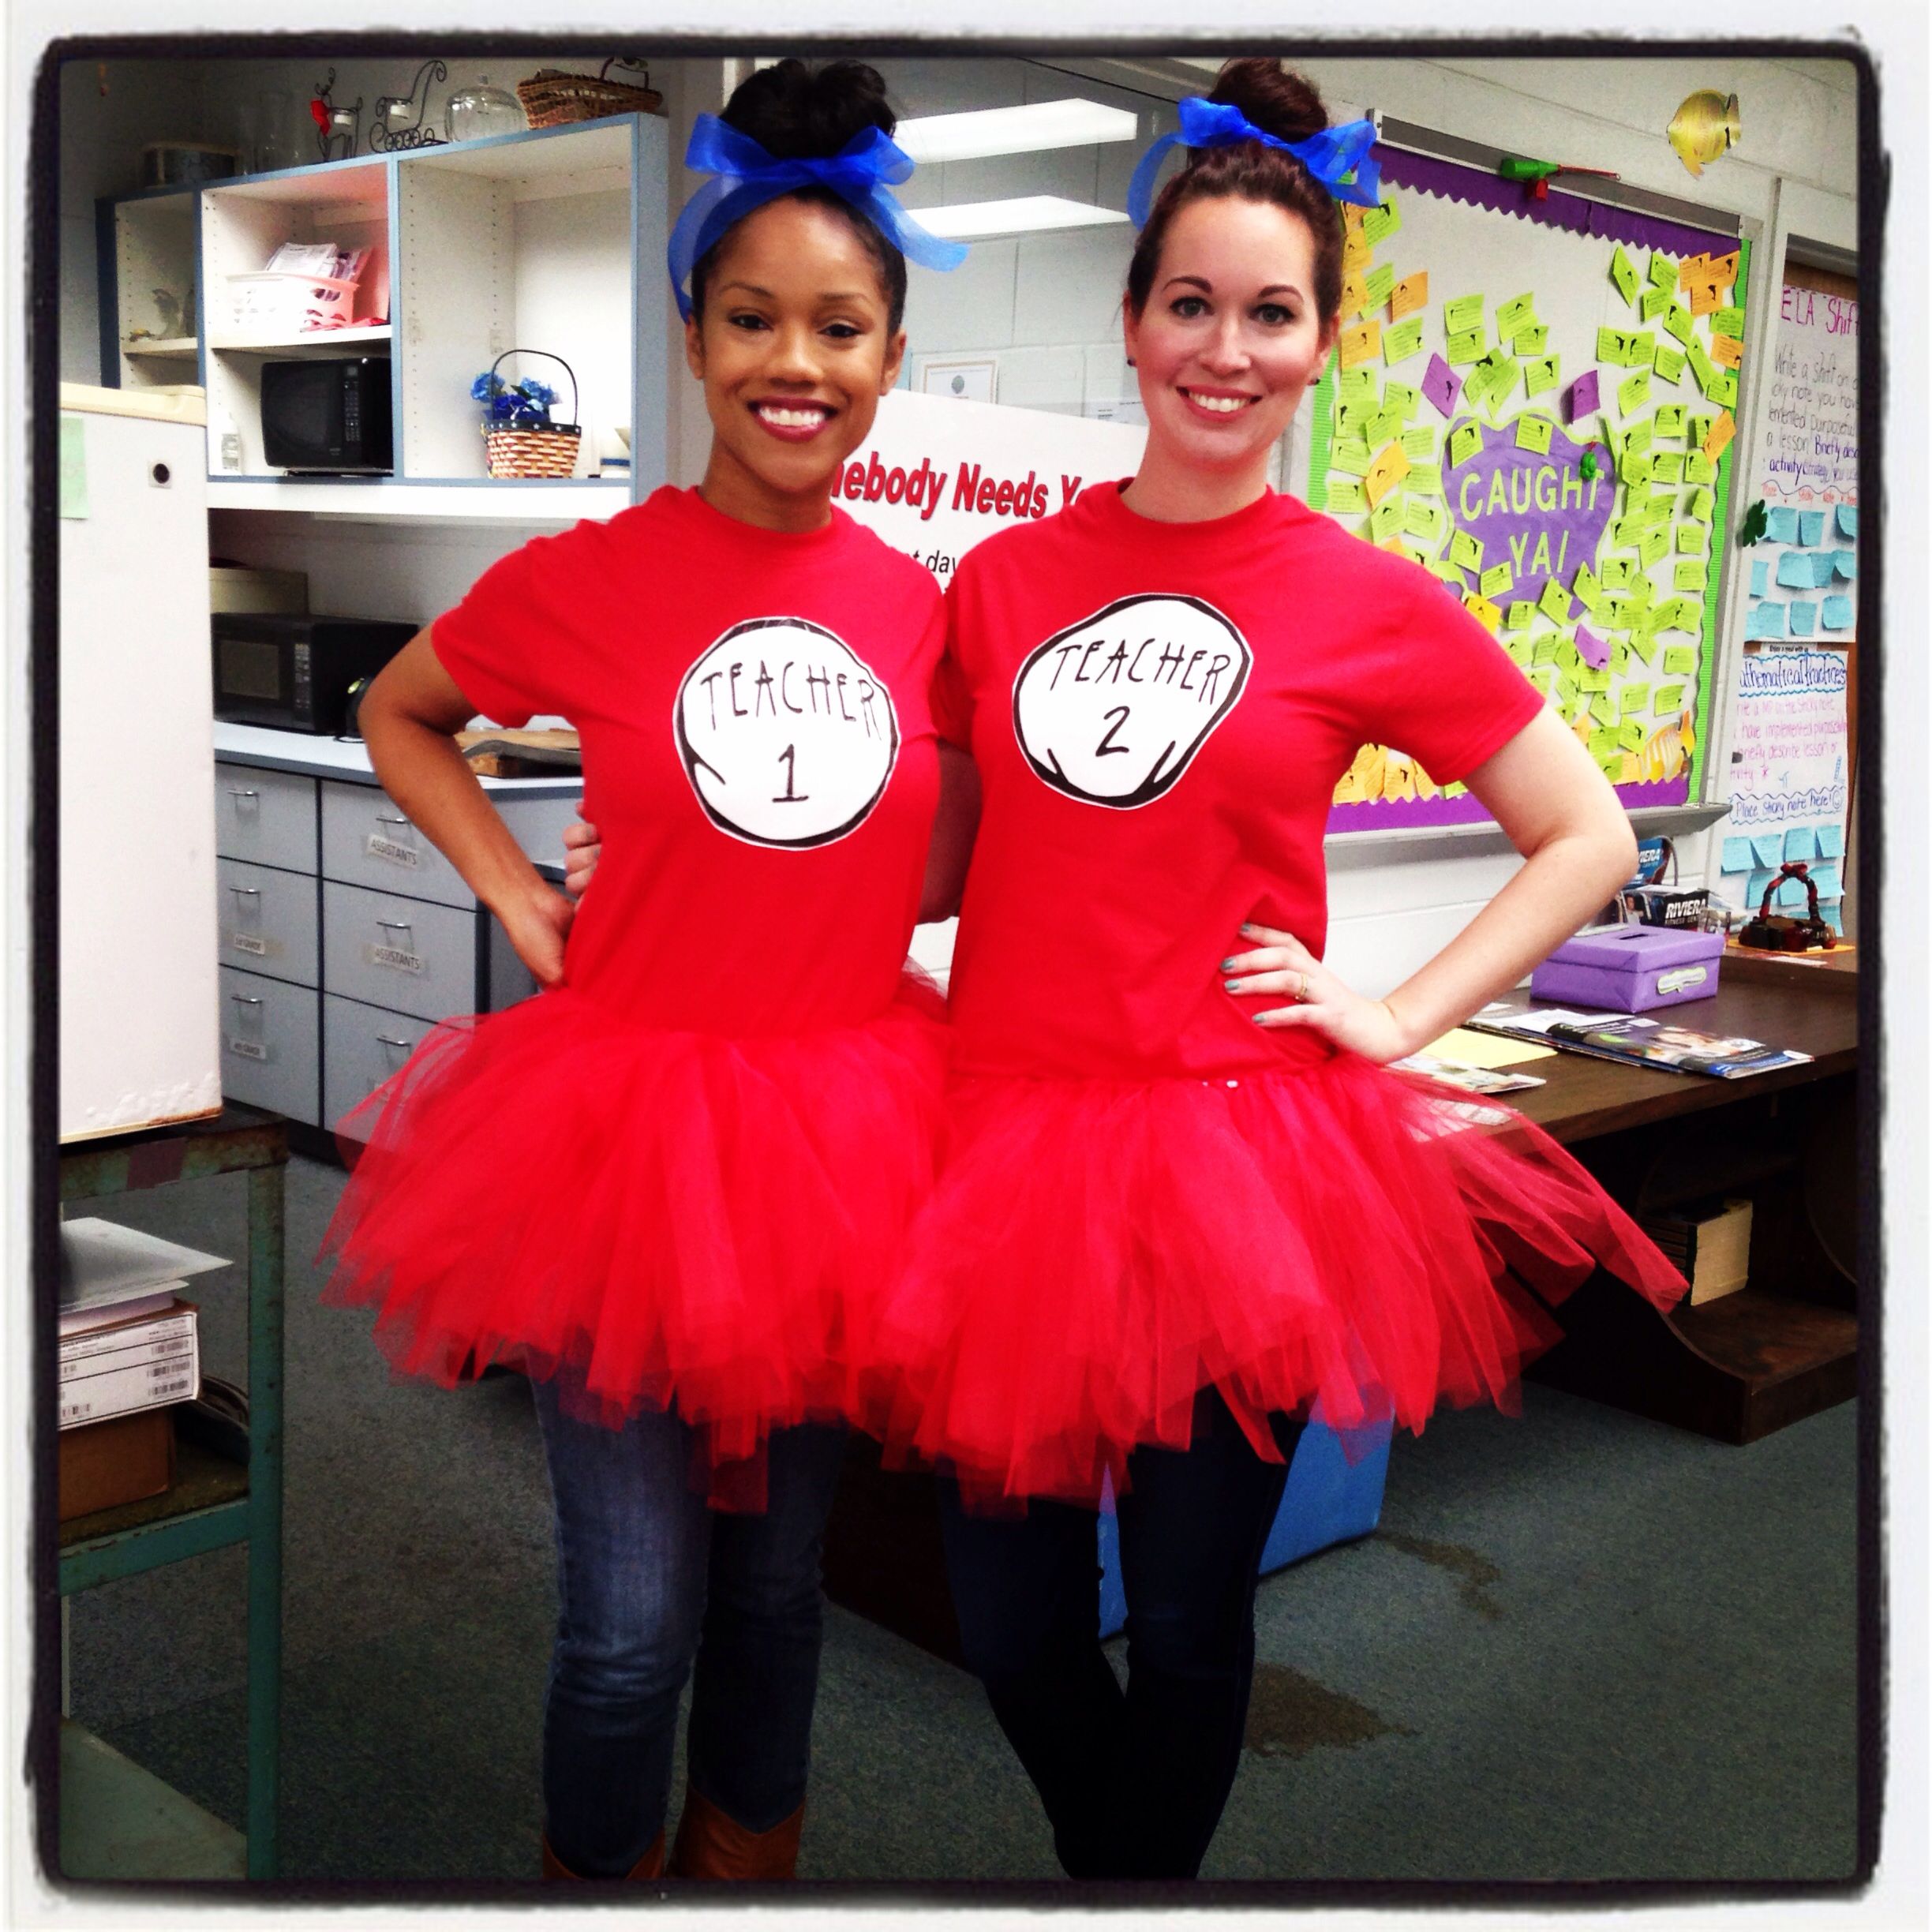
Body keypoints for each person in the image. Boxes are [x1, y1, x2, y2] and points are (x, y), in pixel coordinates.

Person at [853, 59, 1688, 1881]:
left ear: (1321, 341)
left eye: (1272, 312)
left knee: (1196, 1611)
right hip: (1002, 1147)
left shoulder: (1365, 594)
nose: (1226, 348)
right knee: (1005, 1619)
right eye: (1191, 304)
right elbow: (935, 860)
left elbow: (1586, 836)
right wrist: (708, 859)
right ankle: (1127, 1865)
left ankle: (1132, 1889)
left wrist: (1391, 1014)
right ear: (1135, 320)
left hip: (1240, 1161)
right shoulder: (996, 584)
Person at [318, 59, 971, 1882]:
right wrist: (526, 907)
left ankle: (744, 1860)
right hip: (620, 1134)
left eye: (842, 326)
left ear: (888, 358)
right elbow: (402, 710)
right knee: (629, 1617)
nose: (798, 361)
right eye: (753, 315)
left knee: (779, 1590)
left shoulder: (919, 603)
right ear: (694, 337)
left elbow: (951, 829)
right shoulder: (595, 572)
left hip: (848, 1130)